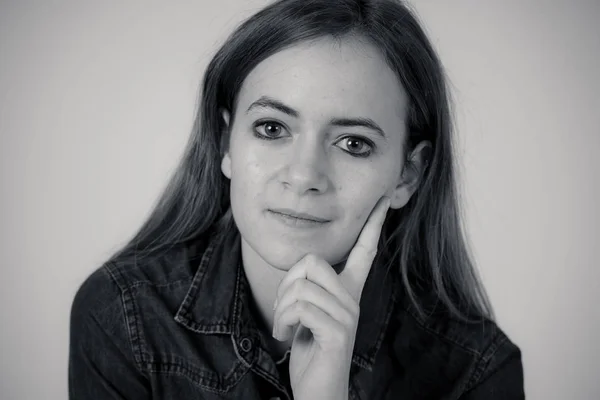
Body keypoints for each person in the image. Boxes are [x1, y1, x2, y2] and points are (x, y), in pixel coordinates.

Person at [68, 0, 525, 398]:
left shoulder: (477, 371)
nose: (304, 176)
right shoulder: (121, 315)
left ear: (407, 174)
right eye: (271, 128)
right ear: (226, 143)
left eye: (353, 143)